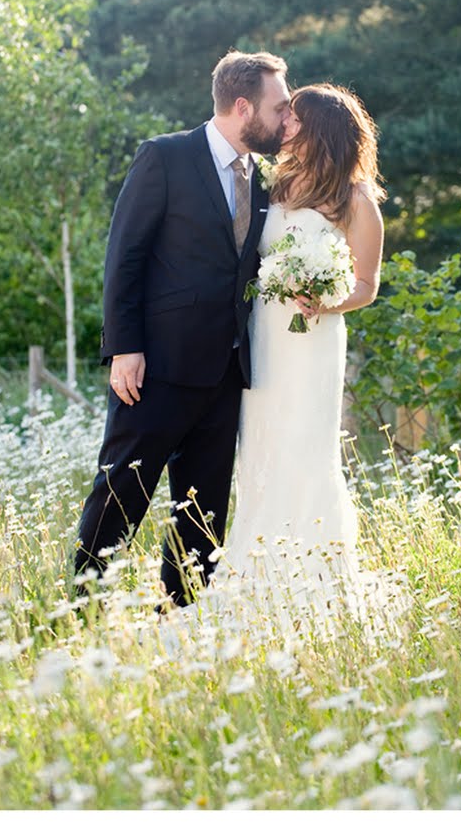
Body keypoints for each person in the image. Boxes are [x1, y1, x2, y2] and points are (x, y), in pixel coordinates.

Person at [73, 50, 290, 611]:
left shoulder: (262, 180)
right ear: (243, 107)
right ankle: (77, 612)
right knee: (123, 491)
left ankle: (181, 620)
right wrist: (124, 347)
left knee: (204, 509)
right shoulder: (165, 157)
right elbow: (125, 256)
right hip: (157, 366)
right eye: (279, 106)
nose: (286, 117)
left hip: (226, 369)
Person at [194, 82, 402, 637]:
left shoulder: (356, 200)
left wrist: (327, 298)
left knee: (304, 450)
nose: (283, 124)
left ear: (321, 129)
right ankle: (256, 580)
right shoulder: (278, 184)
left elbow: (368, 285)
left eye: (294, 118)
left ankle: (316, 587)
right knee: (261, 447)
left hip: (313, 338)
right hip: (266, 336)